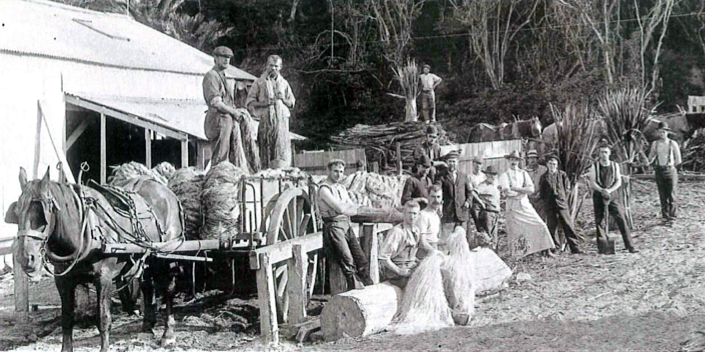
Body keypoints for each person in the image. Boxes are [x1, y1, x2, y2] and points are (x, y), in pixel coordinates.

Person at [317, 159, 374, 291]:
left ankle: (369, 288)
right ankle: (355, 291)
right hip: (334, 226)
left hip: (346, 224)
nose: (338, 174)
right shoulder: (324, 189)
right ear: (328, 171)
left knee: (361, 259)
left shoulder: (341, 188)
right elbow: (340, 208)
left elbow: (354, 208)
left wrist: (348, 208)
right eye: (335, 171)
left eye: (341, 172)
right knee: (348, 261)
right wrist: (347, 207)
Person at [498, 151, 555, 257]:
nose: (513, 162)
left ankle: (546, 251)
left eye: (515, 160)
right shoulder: (504, 175)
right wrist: (521, 191)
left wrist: (516, 188)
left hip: (525, 204)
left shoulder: (523, 173)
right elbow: (507, 192)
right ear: (508, 161)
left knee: (540, 224)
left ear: (519, 161)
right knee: (516, 231)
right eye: (511, 159)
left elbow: (531, 189)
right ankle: (520, 254)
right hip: (512, 206)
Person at [587, 141, 638, 254]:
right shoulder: (595, 166)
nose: (604, 154)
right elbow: (593, 182)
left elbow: (618, 181)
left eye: (606, 152)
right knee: (599, 221)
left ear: (609, 153)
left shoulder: (615, 165)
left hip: (612, 195)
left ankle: (630, 246)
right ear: (599, 154)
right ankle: (603, 248)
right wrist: (602, 190)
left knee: (621, 219)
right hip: (599, 195)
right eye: (601, 152)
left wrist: (609, 191)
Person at [246, 55, 296, 169]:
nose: (273, 68)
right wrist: (263, 103)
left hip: (282, 124)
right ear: (266, 66)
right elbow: (249, 102)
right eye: (271, 65)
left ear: (281, 67)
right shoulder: (258, 82)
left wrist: (283, 99)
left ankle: (281, 174)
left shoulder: (284, 83)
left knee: (281, 151)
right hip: (265, 122)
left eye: (276, 66)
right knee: (265, 151)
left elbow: (292, 102)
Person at [202, 46, 247, 167]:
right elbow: (215, 102)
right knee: (220, 157)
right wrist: (234, 112)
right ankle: (218, 181)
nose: (226, 60)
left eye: (228, 58)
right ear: (215, 59)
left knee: (227, 156)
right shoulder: (211, 76)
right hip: (218, 120)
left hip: (226, 121)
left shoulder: (223, 76)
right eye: (223, 57)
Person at [539, 154, 584, 254]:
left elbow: (567, 189)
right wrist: (548, 200)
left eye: (554, 164)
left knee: (568, 225)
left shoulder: (562, 175)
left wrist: (562, 199)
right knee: (552, 227)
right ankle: (555, 248)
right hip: (550, 205)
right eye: (550, 164)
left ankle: (575, 248)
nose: (552, 166)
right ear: (547, 164)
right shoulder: (544, 177)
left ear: (557, 165)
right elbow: (542, 193)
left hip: (562, 204)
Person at [379, 201, 422, 289]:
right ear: (404, 214)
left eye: (414, 213)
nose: (412, 216)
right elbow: (383, 257)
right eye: (409, 213)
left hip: (411, 269)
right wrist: (399, 271)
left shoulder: (417, 230)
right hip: (397, 274)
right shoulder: (397, 232)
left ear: (418, 215)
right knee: (423, 284)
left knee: (443, 274)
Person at [647, 121, 681, 223]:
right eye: (660, 132)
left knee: (672, 194)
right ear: (658, 132)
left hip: (670, 170)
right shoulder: (655, 144)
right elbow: (650, 157)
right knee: (662, 195)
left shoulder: (672, 143)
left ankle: (673, 217)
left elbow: (678, 160)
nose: (662, 134)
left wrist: (670, 166)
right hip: (659, 170)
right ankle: (665, 217)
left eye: (664, 132)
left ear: (667, 132)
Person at [438, 150, 473, 247]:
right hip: (448, 213)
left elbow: (469, 192)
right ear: (446, 163)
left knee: (461, 241)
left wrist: (468, 202)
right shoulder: (441, 176)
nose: (452, 164)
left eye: (454, 161)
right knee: (447, 241)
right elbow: (438, 190)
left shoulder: (464, 176)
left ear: (457, 162)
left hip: (462, 213)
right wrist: (440, 205)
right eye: (450, 161)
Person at [472, 165, 501, 250]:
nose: (492, 176)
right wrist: (481, 202)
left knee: (494, 238)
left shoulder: (495, 184)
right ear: (486, 175)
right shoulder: (483, 185)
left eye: (494, 174)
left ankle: (494, 257)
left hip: (495, 213)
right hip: (487, 213)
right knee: (487, 238)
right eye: (490, 174)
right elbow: (473, 192)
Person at [415, 184, 443, 259]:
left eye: (438, 197)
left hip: (433, 253)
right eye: (433, 197)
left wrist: (450, 241)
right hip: (423, 256)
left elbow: (434, 239)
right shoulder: (423, 215)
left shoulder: (436, 216)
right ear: (427, 197)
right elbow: (422, 243)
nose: (436, 200)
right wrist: (436, 252)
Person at [525, 149, 548, 220]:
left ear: (537, 159)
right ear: (527, 159)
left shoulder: (543, 169)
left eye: (534, 158)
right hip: (528, 199)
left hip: (541, 199)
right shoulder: (524, 171)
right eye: (530, 158)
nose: (532, 160)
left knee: (541, 219)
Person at [467, 155, 486, 232]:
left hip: (485, 200)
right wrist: (480, 202)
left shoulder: (484, 176)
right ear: (473, 164)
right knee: (478, 223)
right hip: (475, 201)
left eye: (480, 164)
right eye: (476, 163)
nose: (478, 166)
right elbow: (471, 191)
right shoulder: (469, 177)